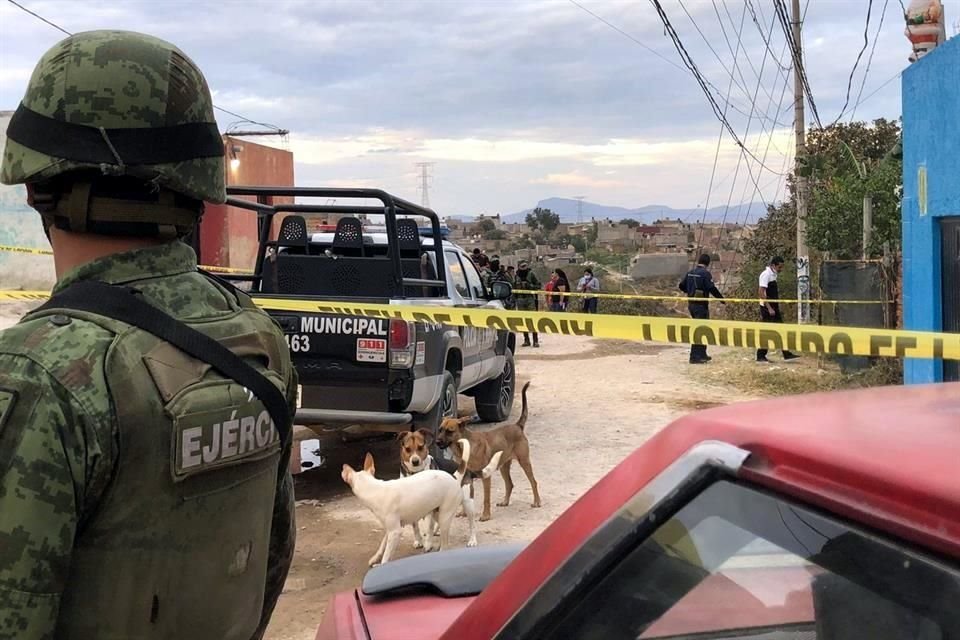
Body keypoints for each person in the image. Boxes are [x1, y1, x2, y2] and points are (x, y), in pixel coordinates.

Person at [0, 31, 297, 639]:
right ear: (197, 188)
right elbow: (270, 558)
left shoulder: (39, 375)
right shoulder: (256, 340)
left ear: (33, 184)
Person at [679, 253, 725, 364]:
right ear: (707, 263)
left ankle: (702, 354)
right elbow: (711, 288)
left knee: (701, 329)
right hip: (701, 306)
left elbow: (681, 286)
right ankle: (695, 356)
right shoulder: (705, 274)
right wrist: (721, 299)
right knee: (700, 330)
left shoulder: (690, 273)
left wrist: (689, 291)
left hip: (691, 305)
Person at [757, 256, 800, 362]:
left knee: (781, 330)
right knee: (767, 332)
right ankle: (760, 356)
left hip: (774, 307)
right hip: (768, 308)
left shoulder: (773, 275)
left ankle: (786, 353)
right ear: (773, 265)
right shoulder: (766, 275)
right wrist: (769, 308)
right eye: (779, 267)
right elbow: (761, 292)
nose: (781, 269)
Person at [515, 260, 541, 347]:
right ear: (518, 267)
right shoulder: (516, 276)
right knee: (523, 321)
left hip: (530, 299)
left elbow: (538, 285)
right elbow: (513, 287)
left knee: (533, 320)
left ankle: (535, 340)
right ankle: (526, 340)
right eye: (522, 266)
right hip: (520, 299)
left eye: (525, 266)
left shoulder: (531, 274)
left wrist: (530, 286)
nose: (524, 268)